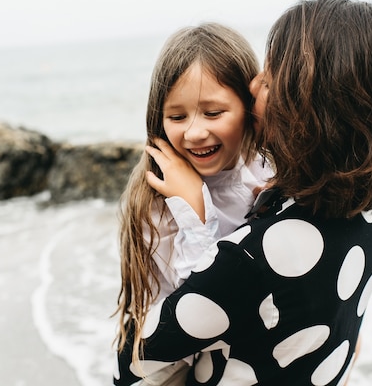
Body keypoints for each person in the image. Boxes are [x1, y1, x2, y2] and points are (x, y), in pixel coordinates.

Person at [114, 0, 372, 386]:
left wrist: (198, 218)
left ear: (316, 111)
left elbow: (134, 364)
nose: (253, 83)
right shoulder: (363, 208)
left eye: (270, 80)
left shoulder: (252, 254)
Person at [114, 22, 273, 384]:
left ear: (248, 108)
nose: (195, 132)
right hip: (175, 366)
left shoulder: (266, 170)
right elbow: (190, 318)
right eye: (177, 116)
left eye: (214, 113)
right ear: (158, 118)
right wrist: (194, 214)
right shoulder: (157, 206)